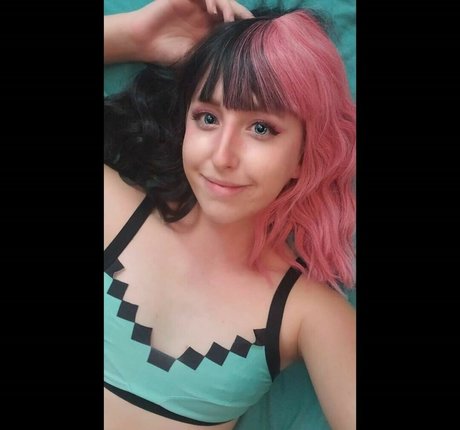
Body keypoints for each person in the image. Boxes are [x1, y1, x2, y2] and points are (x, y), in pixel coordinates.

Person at [104, 1, 356, 429]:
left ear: (305, 154)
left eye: (261, 128)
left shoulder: (308, 313)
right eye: (207, 118)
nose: (222, 157)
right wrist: (132, 36)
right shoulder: (112, 209)